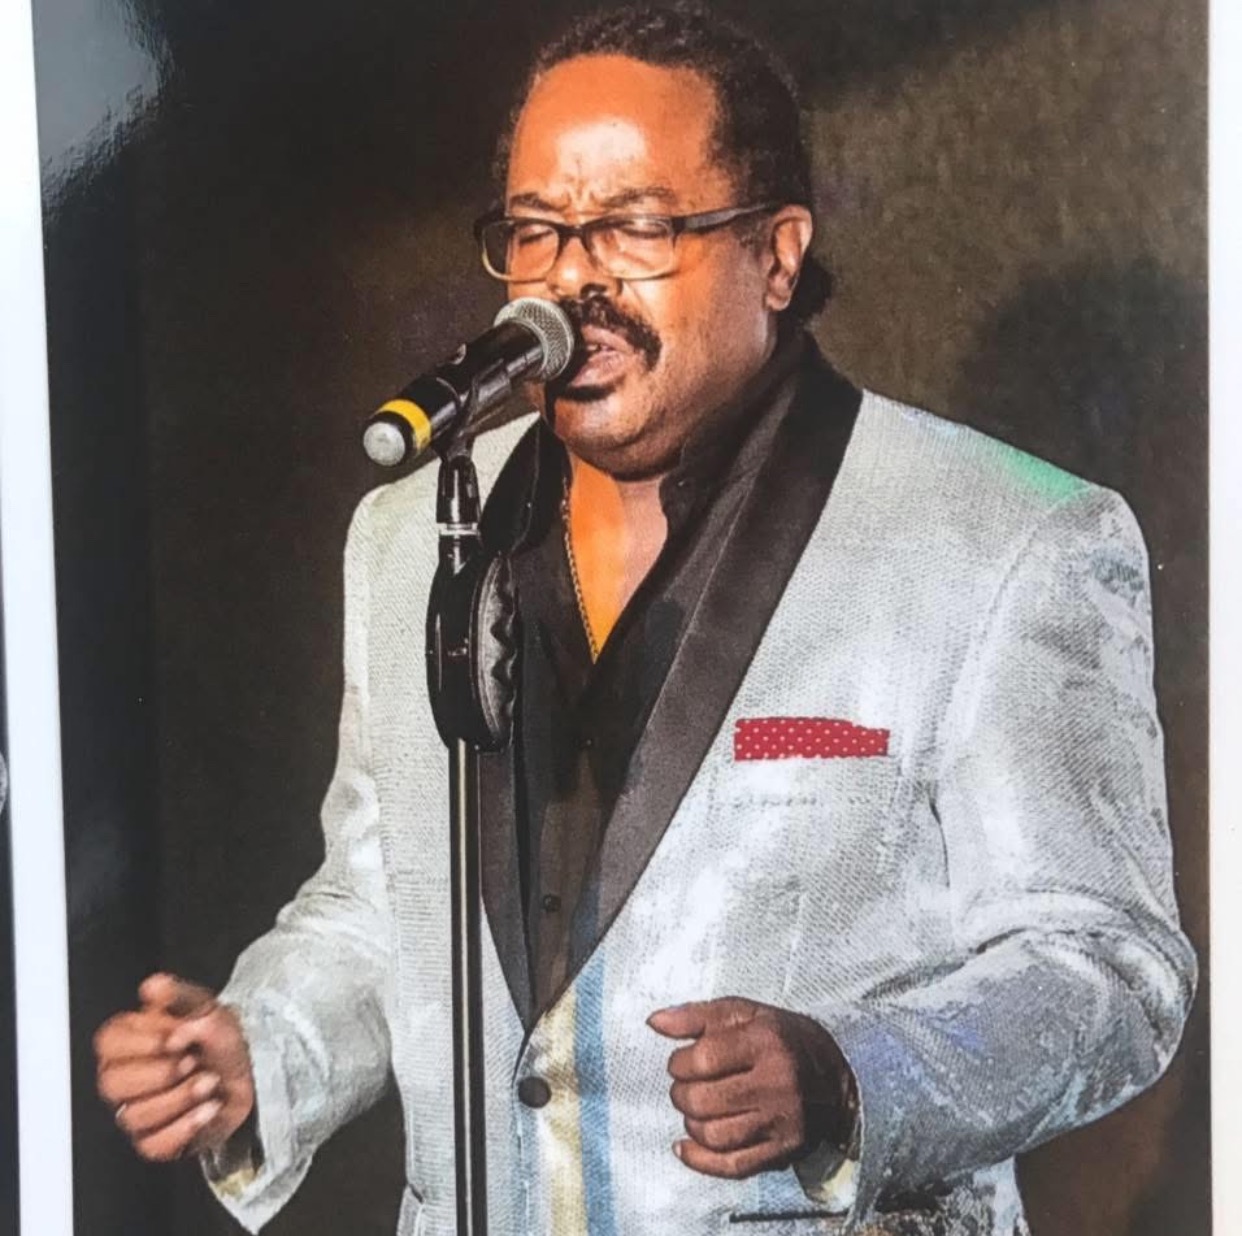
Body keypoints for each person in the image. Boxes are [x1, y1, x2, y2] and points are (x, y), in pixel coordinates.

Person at [93, 5, 1197, 1234]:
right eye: (536, 230)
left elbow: (1107, 971)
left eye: (635, 226)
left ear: (777, 255)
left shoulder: (1006, 538)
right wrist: (260, 1049)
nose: (573, 280)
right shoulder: (409, 539)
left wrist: (848, 1074)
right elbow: (381, 902)